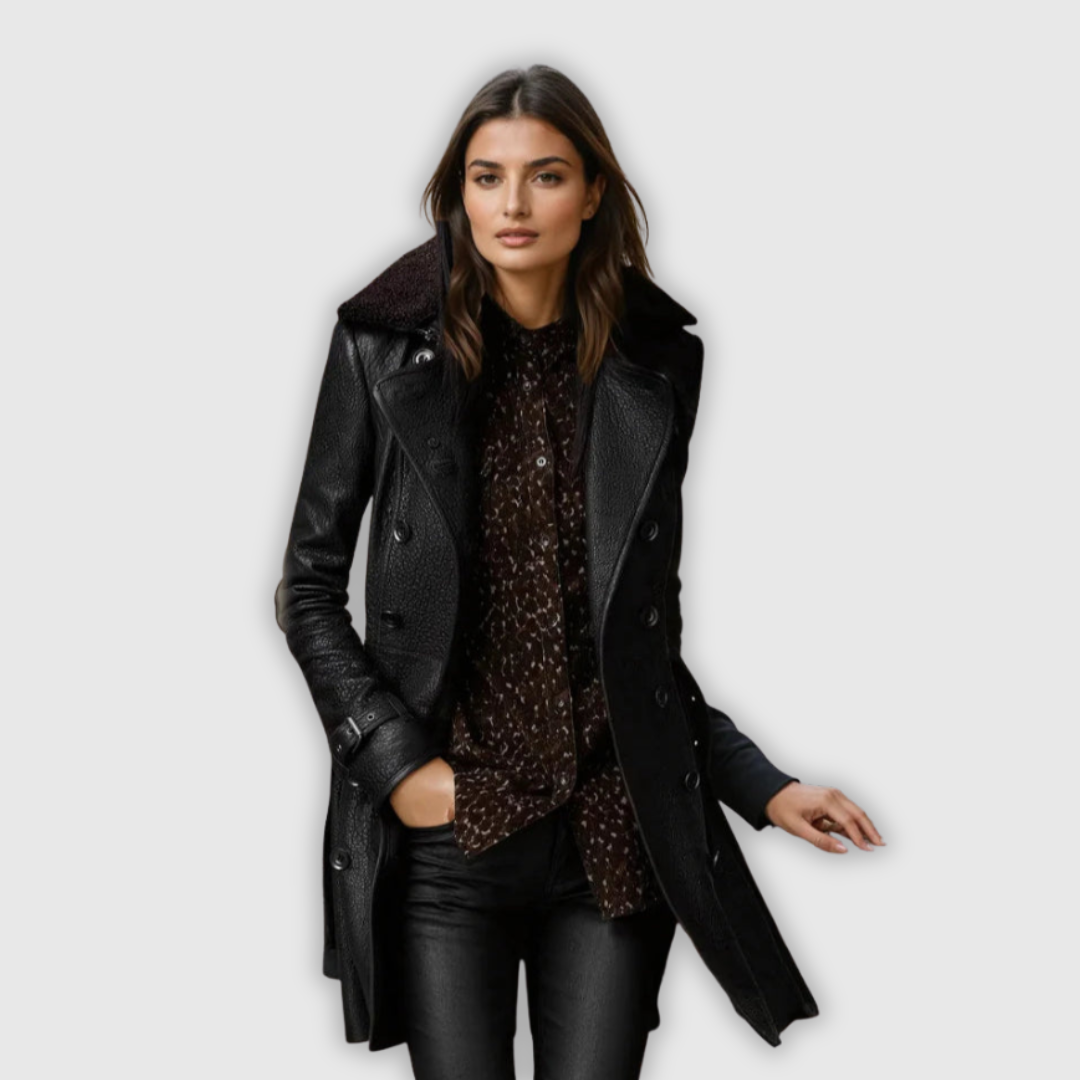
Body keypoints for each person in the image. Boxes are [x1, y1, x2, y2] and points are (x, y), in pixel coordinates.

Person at [275, 64, 884, 1080]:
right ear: (458, 193)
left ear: (593, 191)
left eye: (546, 175)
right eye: (487, 177)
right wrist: (395, 763)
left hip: (611, 839)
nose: (512, 204)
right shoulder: (382, 352)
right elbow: (306, 588)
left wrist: (762, 786)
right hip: (454, 841)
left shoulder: (657, 367)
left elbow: (636, 643)